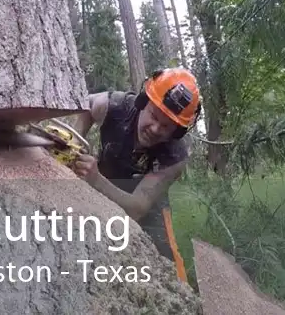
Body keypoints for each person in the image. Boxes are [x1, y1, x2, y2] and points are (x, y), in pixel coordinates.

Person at [69, 67, 202, 283]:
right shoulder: (117, 105)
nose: (156, 128)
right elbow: (87, 105)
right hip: (106, 178)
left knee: (168, 259)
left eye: (166, 126)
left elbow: (138, 208)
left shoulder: (175, 156)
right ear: (142, 102)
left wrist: (95, 179)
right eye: (154, 116)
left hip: (147, 202)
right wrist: (75, 142)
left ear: (177, 132)